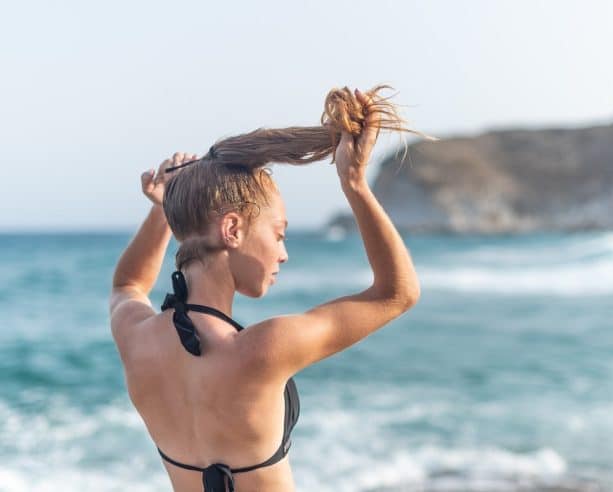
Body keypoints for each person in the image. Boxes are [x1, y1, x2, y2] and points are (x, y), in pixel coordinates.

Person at [109, 87, 422, 491]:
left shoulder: (137, 338)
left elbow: (127, 284)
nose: (283, 254)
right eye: (278, 235)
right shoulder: (264, 349)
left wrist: (161, 210)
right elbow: (397, 293)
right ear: (233, 229)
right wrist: (354, 183)